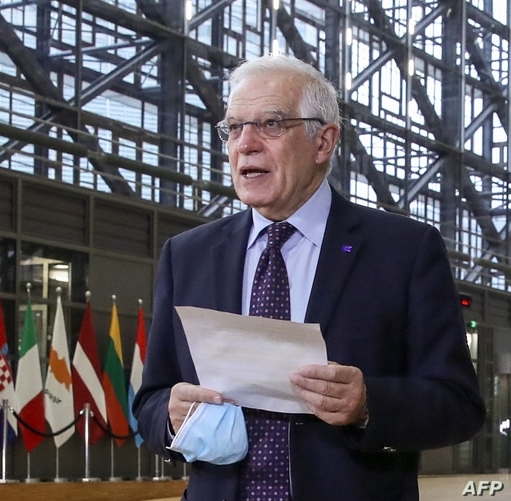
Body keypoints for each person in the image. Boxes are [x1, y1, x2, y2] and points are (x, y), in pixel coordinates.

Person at [132, 54, 485, 501]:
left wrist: (367, 403)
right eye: (234, 128)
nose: (246, 144)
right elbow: (149, 401)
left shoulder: (404, 251)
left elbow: (459, 405)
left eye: (271, 124)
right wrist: (170, 413)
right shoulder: (188, 255)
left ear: (324, 142)